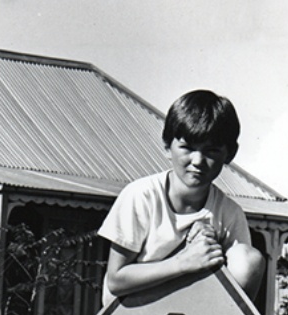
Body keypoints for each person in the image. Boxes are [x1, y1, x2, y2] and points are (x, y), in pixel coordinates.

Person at [98, 89, 265, 304]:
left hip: (191, 314)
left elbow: (245, 271)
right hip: (133, 313)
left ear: (229, 154)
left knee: (248, 259)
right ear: (168, 147)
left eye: (211, 151)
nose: (197, 160)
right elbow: (115, 280)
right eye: (187, 147)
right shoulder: (141, 195)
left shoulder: (229, 212)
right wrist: (183, 262)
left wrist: (211, 256)